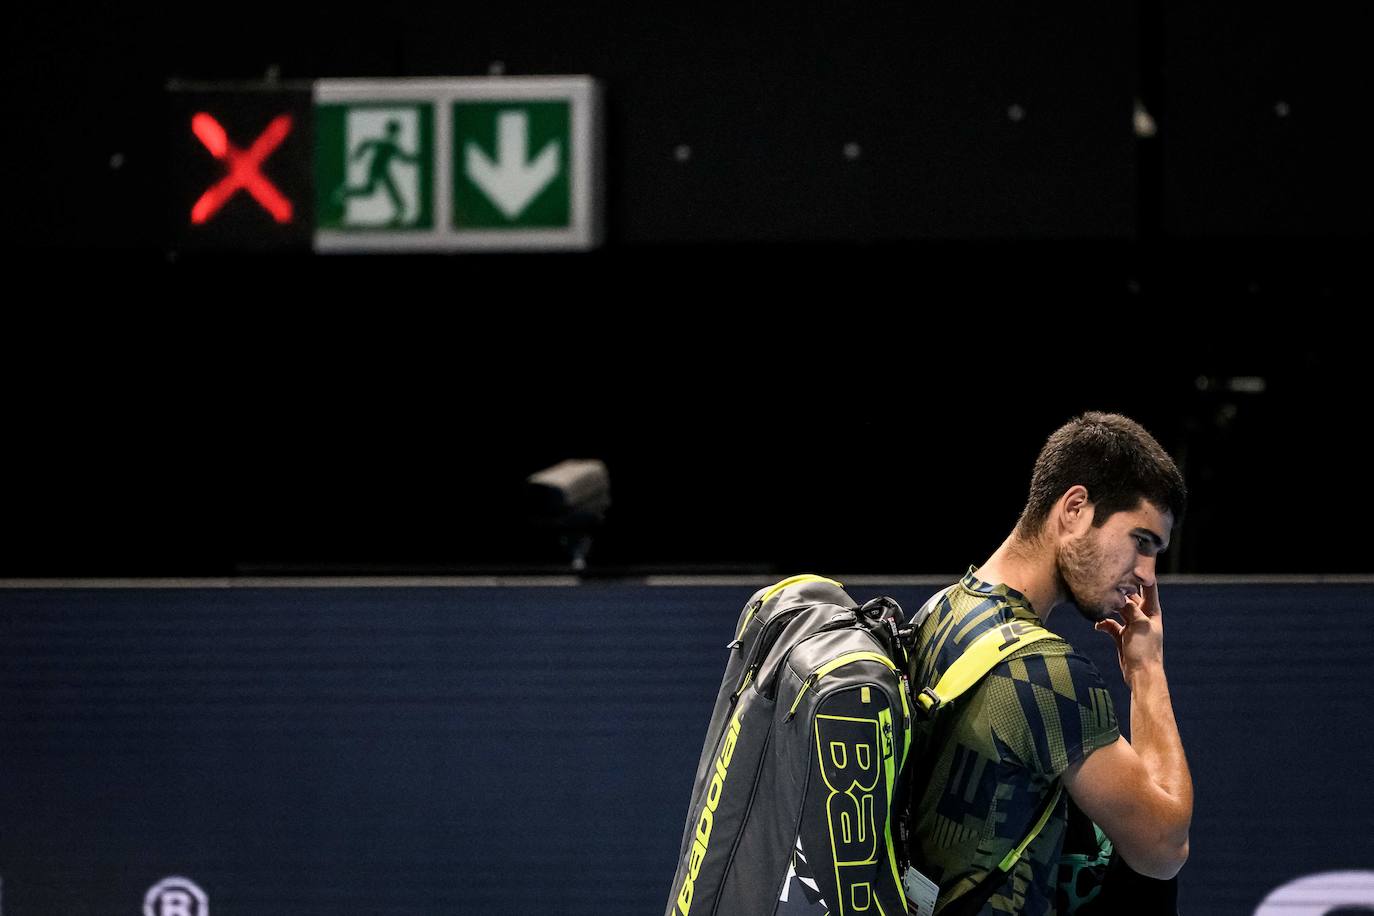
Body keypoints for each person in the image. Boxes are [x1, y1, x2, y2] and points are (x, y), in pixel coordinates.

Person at [905, 411, 1192, 915]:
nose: (1147, 575)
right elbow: (1165, 846)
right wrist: (1147, 671)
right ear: (1076, 509)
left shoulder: (940, 611)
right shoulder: (1047, 676)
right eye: (1140, 542)